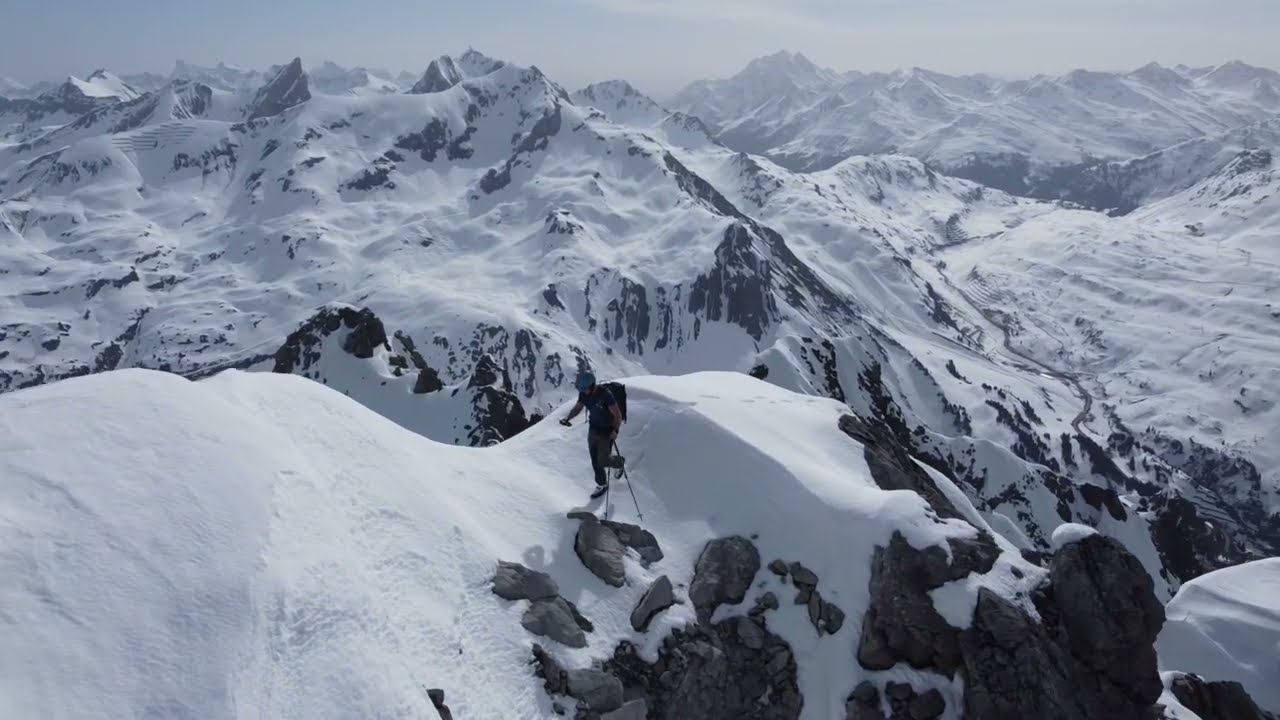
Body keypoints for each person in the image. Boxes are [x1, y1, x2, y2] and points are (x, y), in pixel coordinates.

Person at [560, 371, 623, 497]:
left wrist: (615, 430)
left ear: (592, 386)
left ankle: (619, 462)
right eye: (581, 389)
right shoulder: (584, 394)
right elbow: (578, 407)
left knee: (603, 460)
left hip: (606, 430)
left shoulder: (606, 395)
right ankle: (601, 484)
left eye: (584, 389)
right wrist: (568, 418)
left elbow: (617, 415)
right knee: (595, 459)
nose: (582, 391)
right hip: (593, 429)